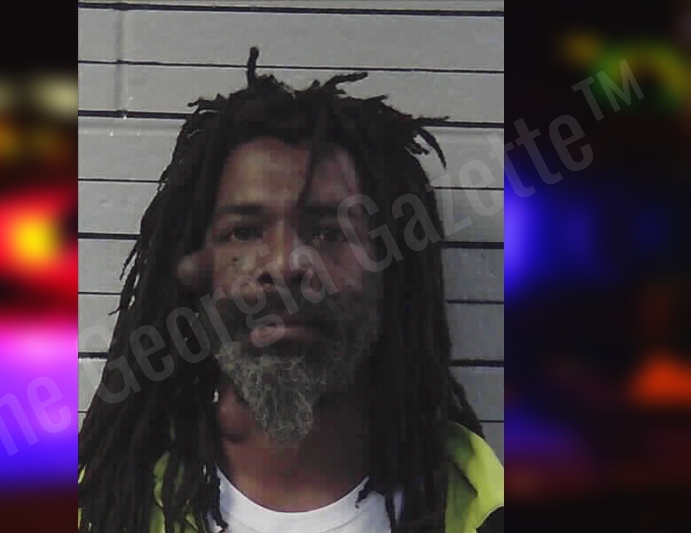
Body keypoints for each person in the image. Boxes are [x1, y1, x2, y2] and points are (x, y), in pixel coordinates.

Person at [79, 48, 503, 533]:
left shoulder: (485, 514)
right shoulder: (102, 512)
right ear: (196, 272)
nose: (284, 265)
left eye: (328, 232)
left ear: (393, 274)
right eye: (244, 232)